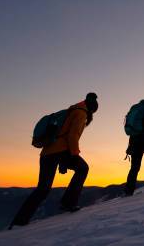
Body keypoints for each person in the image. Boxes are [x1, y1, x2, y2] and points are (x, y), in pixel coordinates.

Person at [9, 92, 99, 228]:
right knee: (82, 168)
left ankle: (19, 221)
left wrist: (65, 161)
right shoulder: (81, 113)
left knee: (43, 189)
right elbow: (72, 136)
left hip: (48, 153)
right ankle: (68, 203)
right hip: (61, 151)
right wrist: (74, 155)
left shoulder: (71, 110)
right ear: (92, 109)